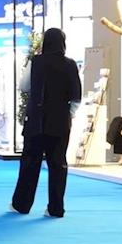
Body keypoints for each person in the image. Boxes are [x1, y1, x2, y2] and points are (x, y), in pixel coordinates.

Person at [10, 28, 82, 218]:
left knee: (30, 164)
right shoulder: (70, 64)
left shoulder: (36, 61)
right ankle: (56, 208)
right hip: (60, 123)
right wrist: (68, 115)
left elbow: (23, 86)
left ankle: (21, 205)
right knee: (58, 165)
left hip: (36, 121)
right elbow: (76, 96)